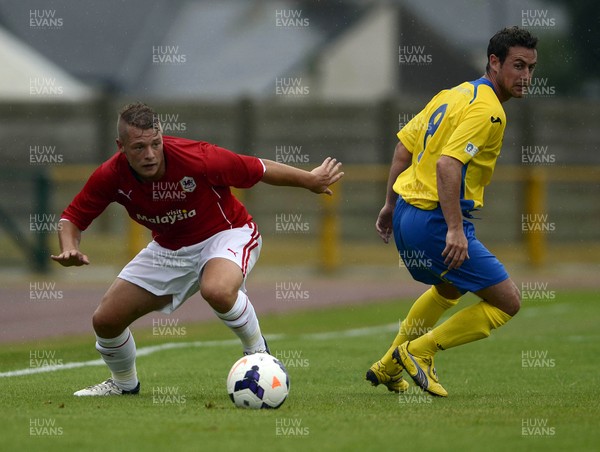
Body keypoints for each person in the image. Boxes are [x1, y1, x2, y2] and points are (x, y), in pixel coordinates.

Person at [51, 102, 343, 396]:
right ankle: (124, 385)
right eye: (139, 147)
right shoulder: (111, 175)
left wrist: (310, 180)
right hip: (169, 249)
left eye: (156, 143)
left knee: (216, 290)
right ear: (121, 146)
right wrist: (68, 248)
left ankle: (258, 355)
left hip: (226, 234)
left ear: (162, 136)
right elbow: (72, 217)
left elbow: (259, 167)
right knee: (106, 320)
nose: (150, 154)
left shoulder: (198, 157)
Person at [366, 26, 538, 396]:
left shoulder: (455, 93)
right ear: (494, 62)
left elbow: (403, 149)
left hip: (406, 215)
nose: (526, 77)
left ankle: (389, 364)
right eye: (518, 66)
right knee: (508, 302)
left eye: (531, 69)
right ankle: (420, 352)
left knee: (449, 288)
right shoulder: (490, 111)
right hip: (433, 221)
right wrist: (455, 230)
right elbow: (447, 165)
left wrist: (389, 206)